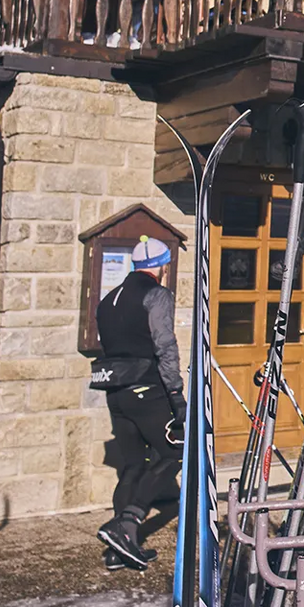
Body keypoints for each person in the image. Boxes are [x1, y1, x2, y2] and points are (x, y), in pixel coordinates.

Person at [90, 238, 184, 570]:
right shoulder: (156, 295)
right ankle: (129, 523)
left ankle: (118, 548)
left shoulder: (107, 301)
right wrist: (176, 395)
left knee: (132, 466)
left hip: (116, 392)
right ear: (162, 265)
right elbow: (165, 345)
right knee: (175, 453)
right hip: (147, 389)